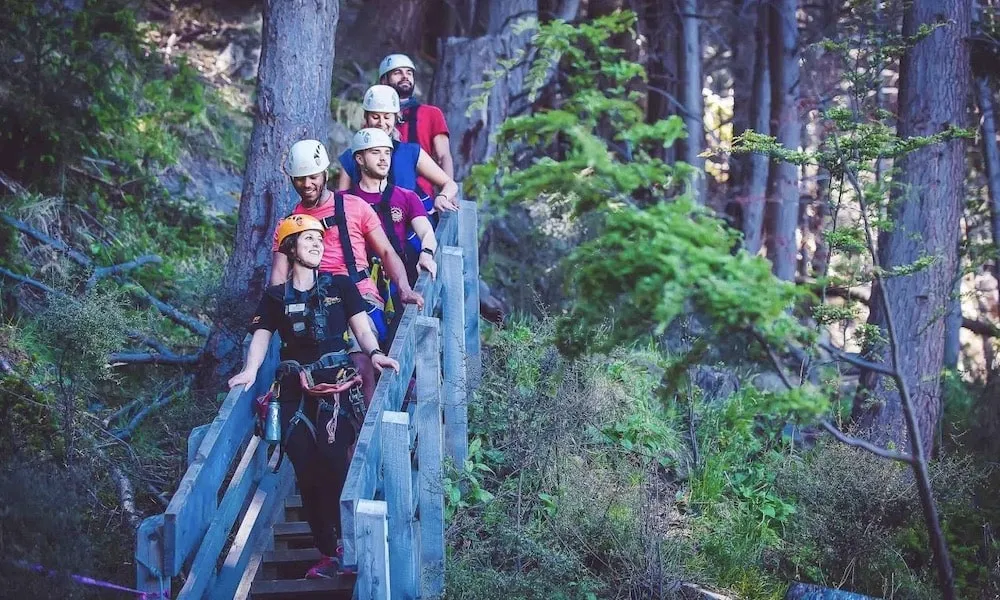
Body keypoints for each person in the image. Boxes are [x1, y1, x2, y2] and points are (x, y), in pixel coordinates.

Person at [229, 214, 400, 579]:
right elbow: (260, 338)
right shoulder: (275, 298)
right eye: (307, 239)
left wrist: (374, 354)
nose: (316, 244)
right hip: (293, 392)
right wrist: (249, 370)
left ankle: (350, 545)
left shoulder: (340, 285)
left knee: (336, 461)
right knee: (307, 472)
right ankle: (328, 551)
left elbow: (361, 327)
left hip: (335, 387)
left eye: (319, 240)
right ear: (290, 248)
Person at [270, 138, 421, 401]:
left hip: (357, 295)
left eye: (313, 177)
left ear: (325, 173)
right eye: (300, 179)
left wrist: (405, 288)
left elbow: (386, 252)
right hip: (311, 301)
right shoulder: (289, 225)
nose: (307, 185)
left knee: (359, 363)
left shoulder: (354, 207)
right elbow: (279, 277)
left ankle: (367, 436)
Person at [336, 85, 459, 216]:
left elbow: (449, 184)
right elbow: (341, 202)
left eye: (387, 117)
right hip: (366, 228)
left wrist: (443, 196)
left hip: (412, 229)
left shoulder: (411, 152)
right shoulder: (351, 156)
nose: (381, 123)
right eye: (375, 117)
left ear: (396, 118)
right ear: (366, 118)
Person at [378, 53, 454, 194]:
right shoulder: (375, 117)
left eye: (409, 73)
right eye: (397, 73)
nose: (405, 76)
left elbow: (444, 155)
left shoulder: (432, 114)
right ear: (384, 80)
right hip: (381, 193)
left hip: (421, 194)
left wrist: (447, 192)